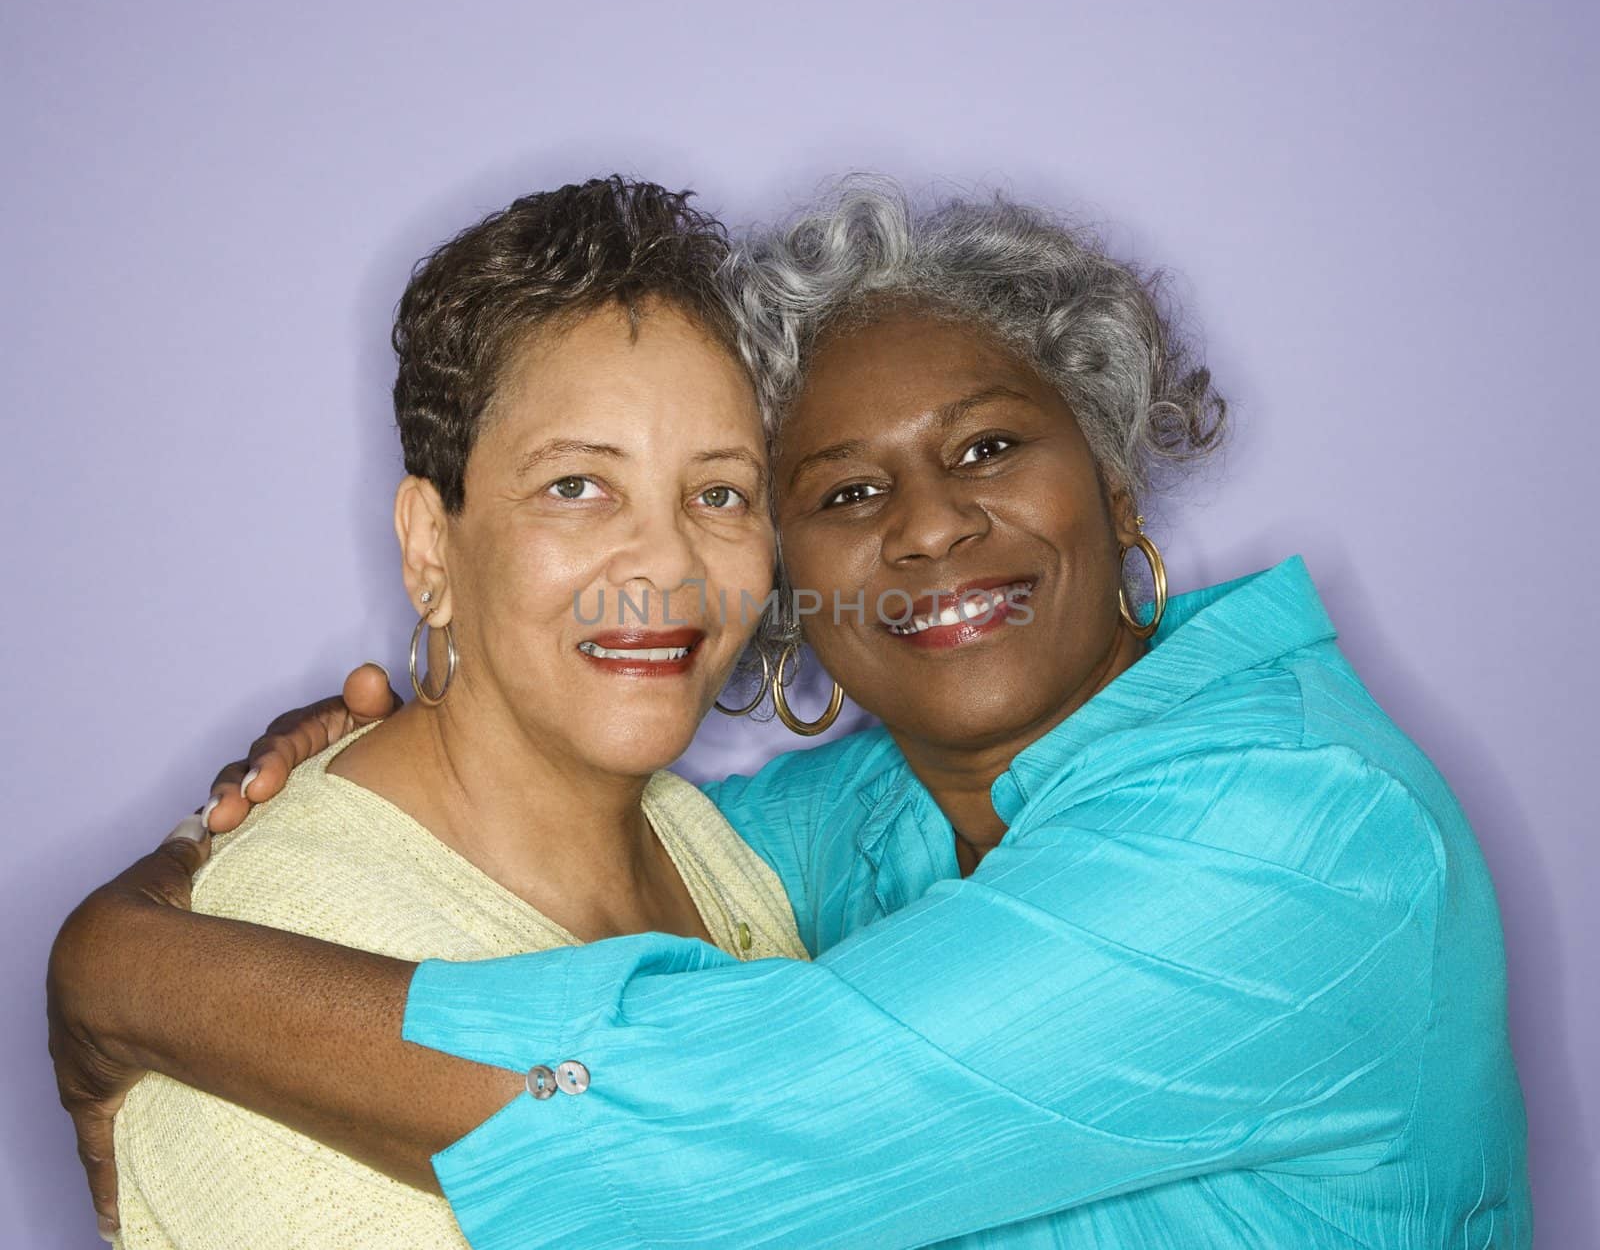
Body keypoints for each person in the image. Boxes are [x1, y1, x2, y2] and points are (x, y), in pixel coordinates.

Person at [50, 178, 1532, 1248]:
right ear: (790, 577)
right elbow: (568, 816)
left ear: (1116, 484)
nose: (933, 526)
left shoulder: (1300, 836)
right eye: (842, 491)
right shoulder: (889, 813)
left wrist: (121, 962)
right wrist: (346, 747)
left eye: (991, 445)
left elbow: (688, 1123)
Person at [90, 177, 811, 1249]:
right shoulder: (261, 967)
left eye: (719, 493)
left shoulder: (707, 845)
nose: (666, 561)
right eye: (576, 484)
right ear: (433, 545)